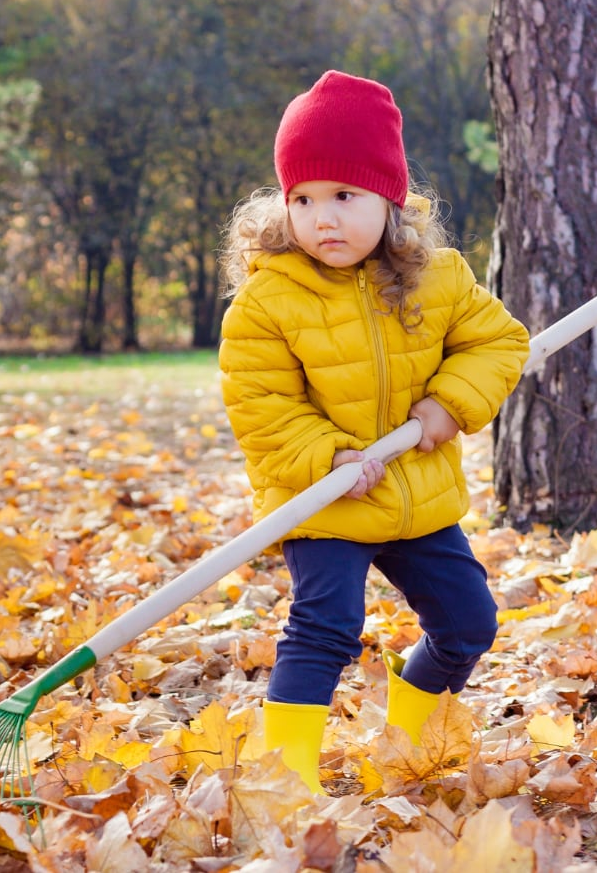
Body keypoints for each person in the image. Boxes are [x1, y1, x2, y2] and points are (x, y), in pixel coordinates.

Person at [218, 70, 529, 794]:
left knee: (468, 622)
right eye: (303, 198)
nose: (322, 218)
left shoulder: (439, 278)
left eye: (344, 196)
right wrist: (329, 457)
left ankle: (409, 739)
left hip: (417, 492)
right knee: (326, 626)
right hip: (324, 496)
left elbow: (500, 343)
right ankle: (286, 781)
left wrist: (448, 405)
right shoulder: (269, 299)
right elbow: (260, 405)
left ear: (388, 198)